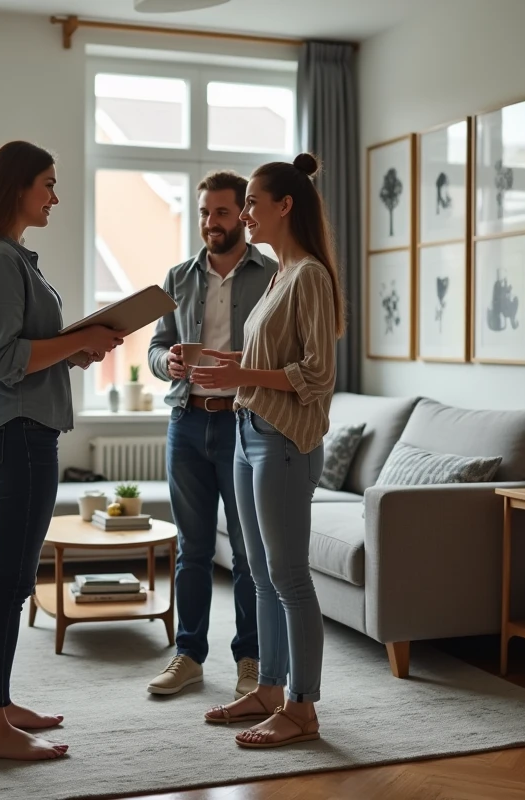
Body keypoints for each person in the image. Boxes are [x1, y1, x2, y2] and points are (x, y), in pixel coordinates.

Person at [0, 140, 125, 761]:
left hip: (15, 428)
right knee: (7, 581)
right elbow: (4, 361)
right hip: (17, 432)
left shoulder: (8, 256)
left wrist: (77, 349)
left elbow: (20, 349)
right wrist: (81, 341)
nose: (55, 195)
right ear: (15, 186)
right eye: (47, 183)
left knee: (3, 579)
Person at [189, 153, 344, 749]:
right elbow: (264, 363)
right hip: (248, 433)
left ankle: (303, 707)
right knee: (257, 574)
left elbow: (315, 374)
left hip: (283, 441)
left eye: (253, 202)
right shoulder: (280, 273)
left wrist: (241, 379)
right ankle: (270, 689)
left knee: (288, 578)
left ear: (286, 205)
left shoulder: (309, 276)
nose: (246, 212)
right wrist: (222, 364)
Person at [145, 171, 277, 700]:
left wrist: (246, 366)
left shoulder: (272, 275)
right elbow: (155, 349)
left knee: (248, 552)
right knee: (192, 550)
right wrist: (168, 362)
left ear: (243, 215)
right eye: (203, 213)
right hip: (186, 422)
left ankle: (251, 659)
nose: (210, 223)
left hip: (243, 423)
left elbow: (282, 355)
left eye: (221, 213)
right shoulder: (177, 277)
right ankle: (189, 655)